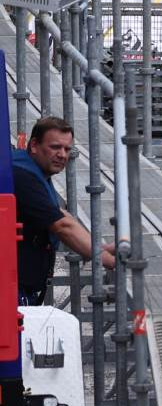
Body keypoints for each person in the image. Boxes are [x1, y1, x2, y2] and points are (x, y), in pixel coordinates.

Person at [12, 118, 114, 306]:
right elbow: (62, 226)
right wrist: (109, 262)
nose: (62, 155)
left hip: (20, 286)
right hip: (12, 290)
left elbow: (61, 215)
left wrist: (99, 249)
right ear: (34, 145)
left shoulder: (33, 171)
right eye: (55, 147)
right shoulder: (22, 176)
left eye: (67, 149)